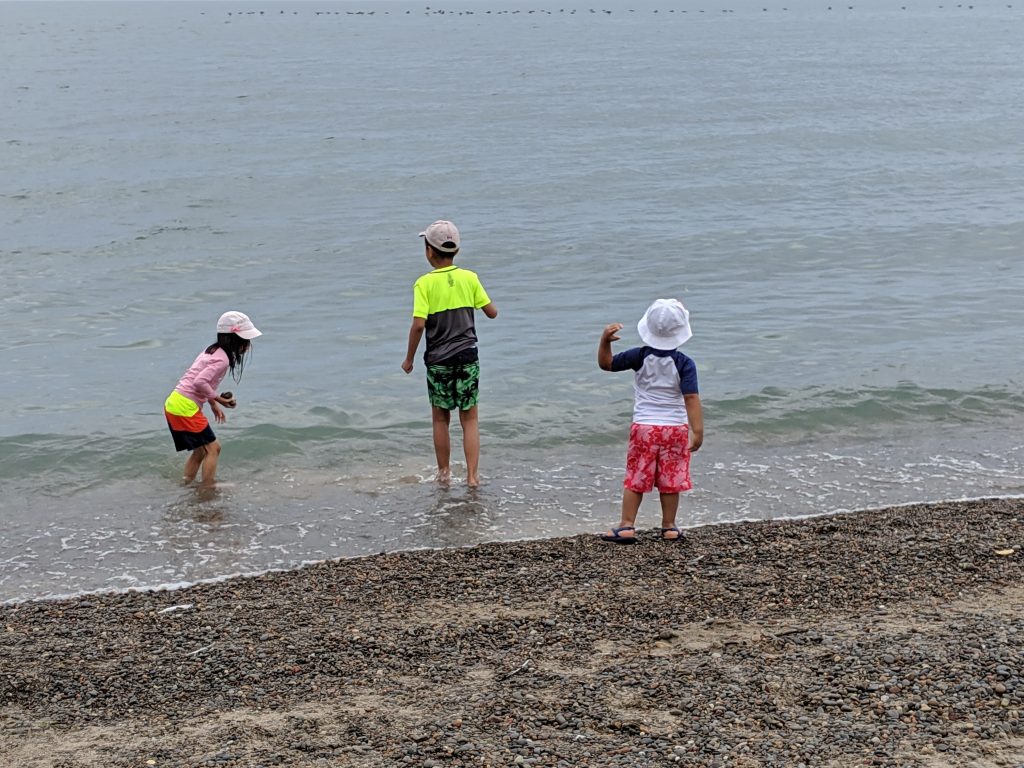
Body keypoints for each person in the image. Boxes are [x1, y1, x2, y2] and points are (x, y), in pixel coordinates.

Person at [598, 298, 703, 543]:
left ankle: (626, 525)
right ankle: (669, 526)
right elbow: (691, 398)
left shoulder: (639, 356)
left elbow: (606, 364)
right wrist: (697, 431)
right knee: (671, 480)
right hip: (675, 429)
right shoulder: (684, 363)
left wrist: (604, 340)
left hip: (645, 427)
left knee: (636, 477)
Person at [402, 220, 498, 487]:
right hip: (467, 356)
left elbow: (419, 324)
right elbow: (492, 312)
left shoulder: (424, 284)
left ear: (429, 251)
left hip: (438, 360)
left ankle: (444, 474)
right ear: (456, 250)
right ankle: (472, 477)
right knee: (470, 418)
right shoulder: (470, 278)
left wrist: (409, 358)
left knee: (440, 418)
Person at [164, 310, 262, 491]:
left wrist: (213, 404)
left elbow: (203, 382)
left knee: (201, 451)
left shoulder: (213, 351)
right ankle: (208, 488)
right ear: (234, 339)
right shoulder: (222, 360)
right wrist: (218, 399)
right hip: (185, 406)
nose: (248, 346)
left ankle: (187, 485)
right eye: (246, 341)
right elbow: (199, 381)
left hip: (175, 403)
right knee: (214, 448)